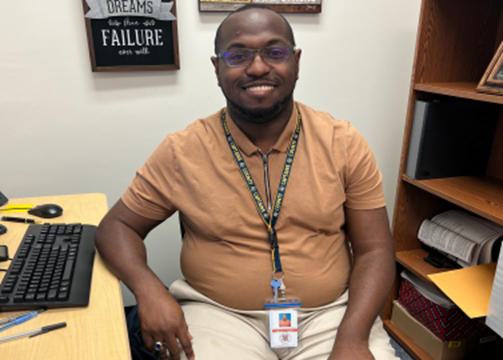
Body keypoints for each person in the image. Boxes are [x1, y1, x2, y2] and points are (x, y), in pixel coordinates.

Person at [95, 4, 398, 360]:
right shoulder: (183, 150)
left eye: (275, 52)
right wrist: (149, 290)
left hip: (331, 316)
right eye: (238, 55)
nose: (257, 67)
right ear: (217, 68)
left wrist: (352, 339)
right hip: (219, 315)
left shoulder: (343, 142)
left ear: (296, 62)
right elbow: (115, 227)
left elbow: (375, 250)